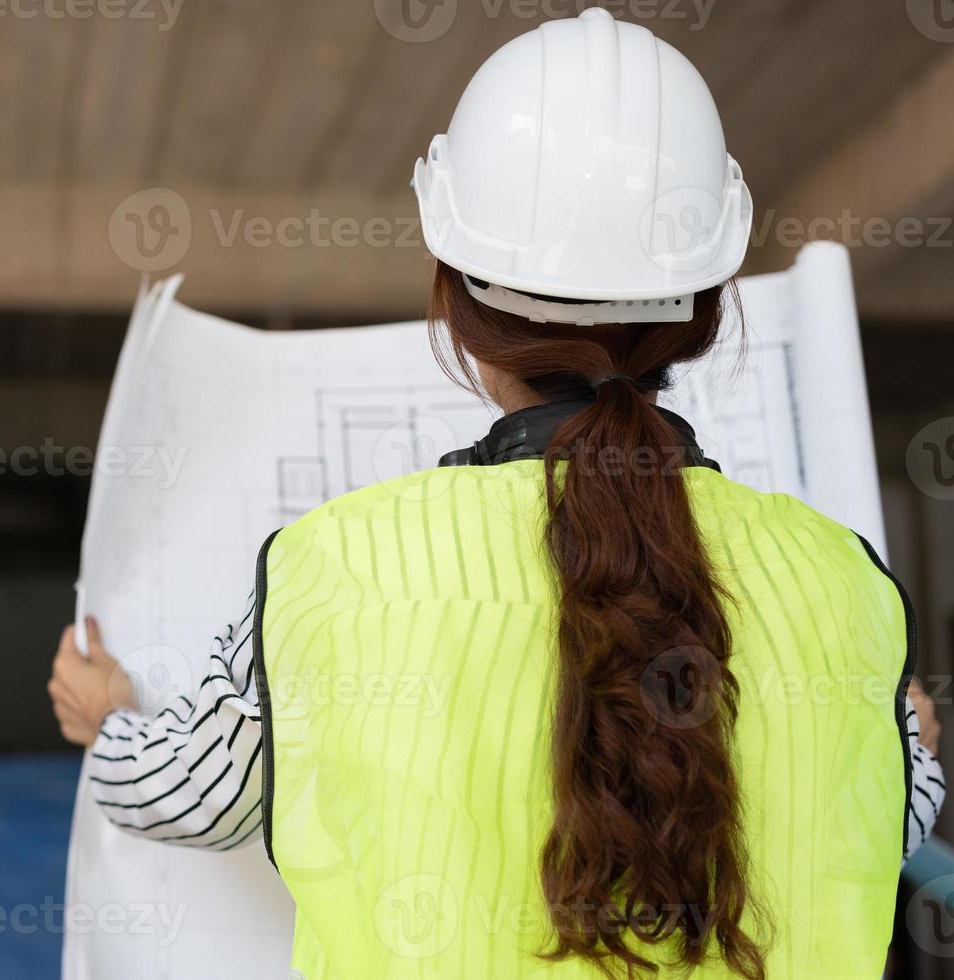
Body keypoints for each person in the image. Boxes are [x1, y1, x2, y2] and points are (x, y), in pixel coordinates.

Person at [47, 9, 945, 977]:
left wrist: (109, 716)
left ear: (460, 309)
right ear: (707, 308)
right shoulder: (845, 586)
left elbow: (189, 792)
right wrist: (917, 748)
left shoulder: (336, 573)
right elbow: (872, 828)